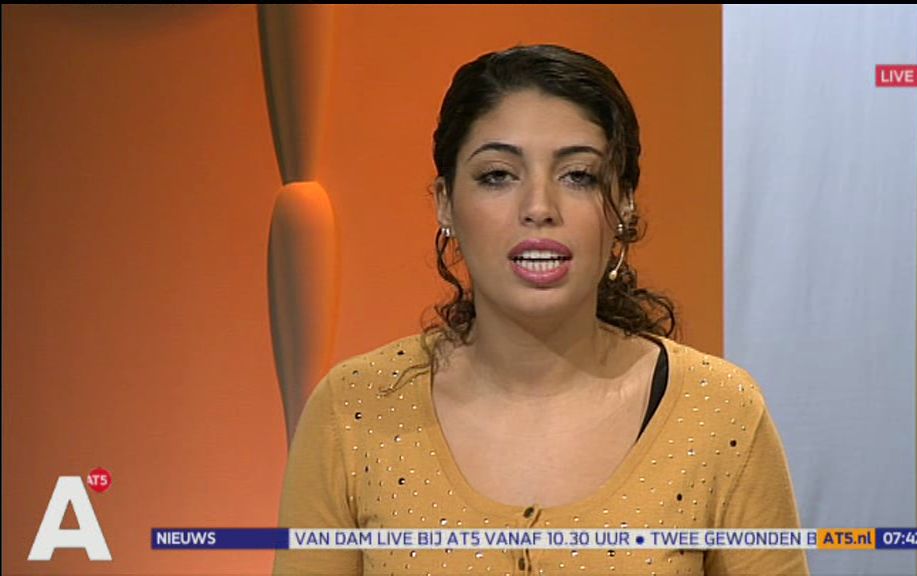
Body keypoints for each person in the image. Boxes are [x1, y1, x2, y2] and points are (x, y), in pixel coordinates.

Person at [274, 44, 809, 575]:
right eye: (498, 175)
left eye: (578, 176)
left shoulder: (719, 413)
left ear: (624, 203)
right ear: (445, 203)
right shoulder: (355, 409)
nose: (539, 208)